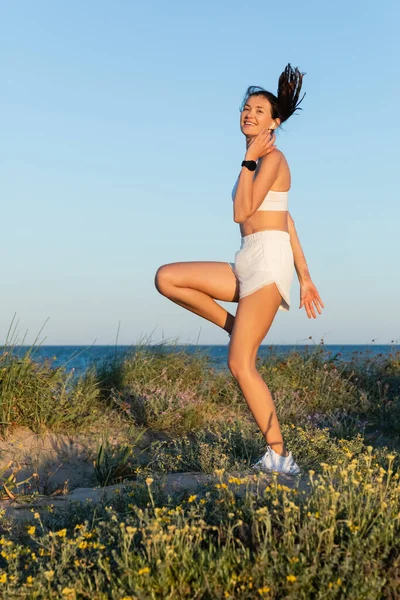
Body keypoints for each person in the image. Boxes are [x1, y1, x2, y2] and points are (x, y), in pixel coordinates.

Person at [155, 63, 324, 475]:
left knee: (239, 364)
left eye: (258, 111)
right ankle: (236, 329)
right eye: (245, 108)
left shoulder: (272, 158)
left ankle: (280, 457)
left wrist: (249, 160)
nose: (248, 114)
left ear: (274, 122)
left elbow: (241, 211)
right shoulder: (254, 159)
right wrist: (307, 278)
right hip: (248, 256)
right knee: (168, 278)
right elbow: (288, 219)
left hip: (268, 264)